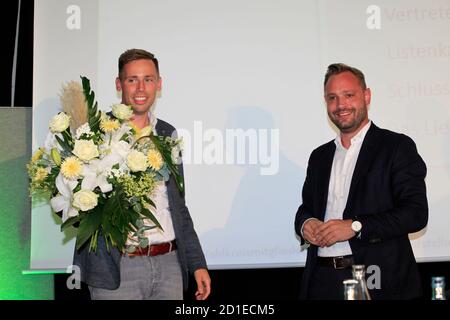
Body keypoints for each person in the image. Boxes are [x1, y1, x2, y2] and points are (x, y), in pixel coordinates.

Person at [73, 48, 211, 300]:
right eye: (132, 79)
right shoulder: (96, 132)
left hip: (169, 265)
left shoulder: (168, 133)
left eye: (148, 79)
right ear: (119, 84)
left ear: (158, 84)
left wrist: (197, 262)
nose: (140, 88)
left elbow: (178, 206)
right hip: (117, 268)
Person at [294, 63, 428, 300]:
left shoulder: (396, 147)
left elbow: (415, 213)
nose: (340, 105)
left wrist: (355, 226)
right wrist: (307, 224)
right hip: (321, 281)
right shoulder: (320, 156)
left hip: (375, 279)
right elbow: (305, 209)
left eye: (349, 95)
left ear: (366, 96)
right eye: (332, 98)